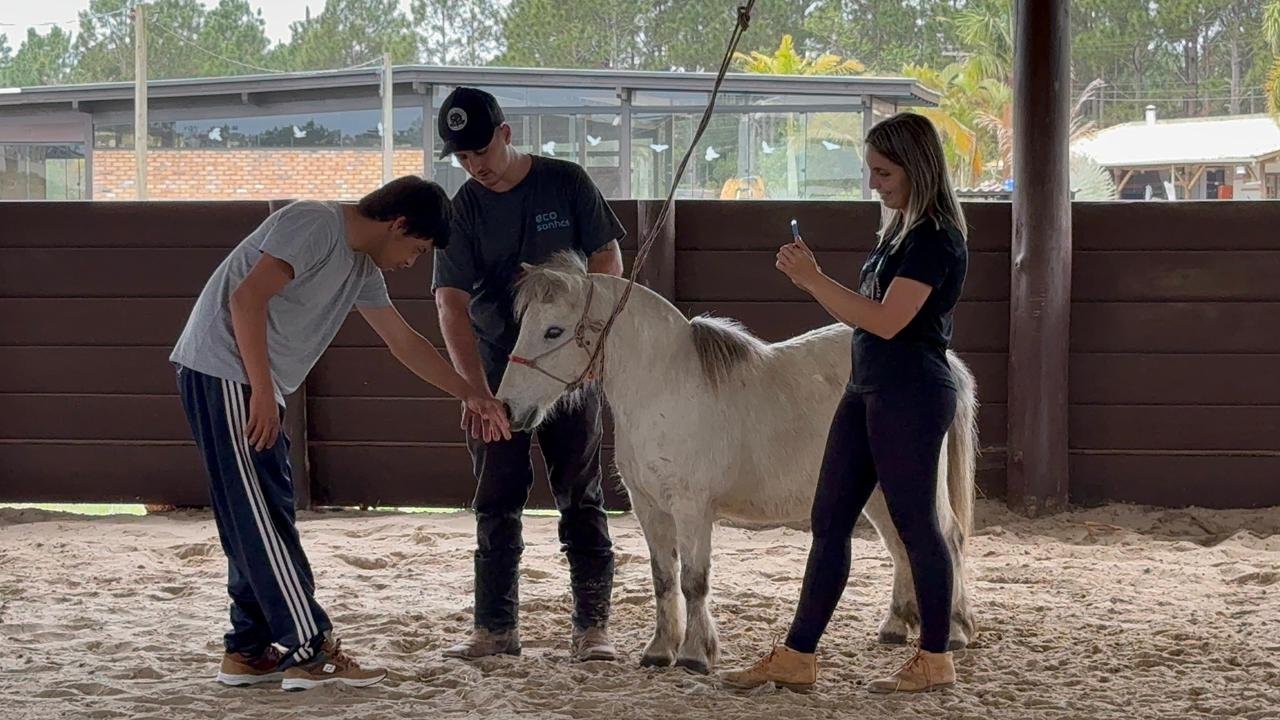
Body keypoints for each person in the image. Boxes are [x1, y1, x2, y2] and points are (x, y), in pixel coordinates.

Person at [171, 176, 511, 691]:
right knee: (259, 518)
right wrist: (261, 390)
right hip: (225, 373)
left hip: (249, 382)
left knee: (262, 514)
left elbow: (402, 341)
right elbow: (246, 300)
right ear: (397, 224)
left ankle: (248, 649)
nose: (412, 262)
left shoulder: (361, 266)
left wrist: (471, 394)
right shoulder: (314, 222)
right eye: (417, 250)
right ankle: (310, 651)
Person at [721, 112, 969, 693]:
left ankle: (936, 656)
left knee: (917, 526)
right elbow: (866, 317)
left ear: (916, 169)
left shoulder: (934, 238)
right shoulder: (899, 233)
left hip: (910, 392)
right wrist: (812, 281)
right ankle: (798, 653)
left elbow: (886, 320)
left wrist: (813, 279)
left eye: (884, 173)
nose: (874, 184)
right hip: (869, 386)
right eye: (871, 171)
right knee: (829, 519)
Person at [430, 87, 626, 662]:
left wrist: (591, 348)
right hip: (498, 373)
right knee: (495, 498)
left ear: (506, 134)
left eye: (481, 151)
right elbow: (449, 303)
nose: (475, 165)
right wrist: (473, 391)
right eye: (462, 157)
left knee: (581, 495)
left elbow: (607, 261)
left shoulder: (566, 182)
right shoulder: (463, 208)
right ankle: (494, 629)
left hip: (566, 372)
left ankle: (592, 628)